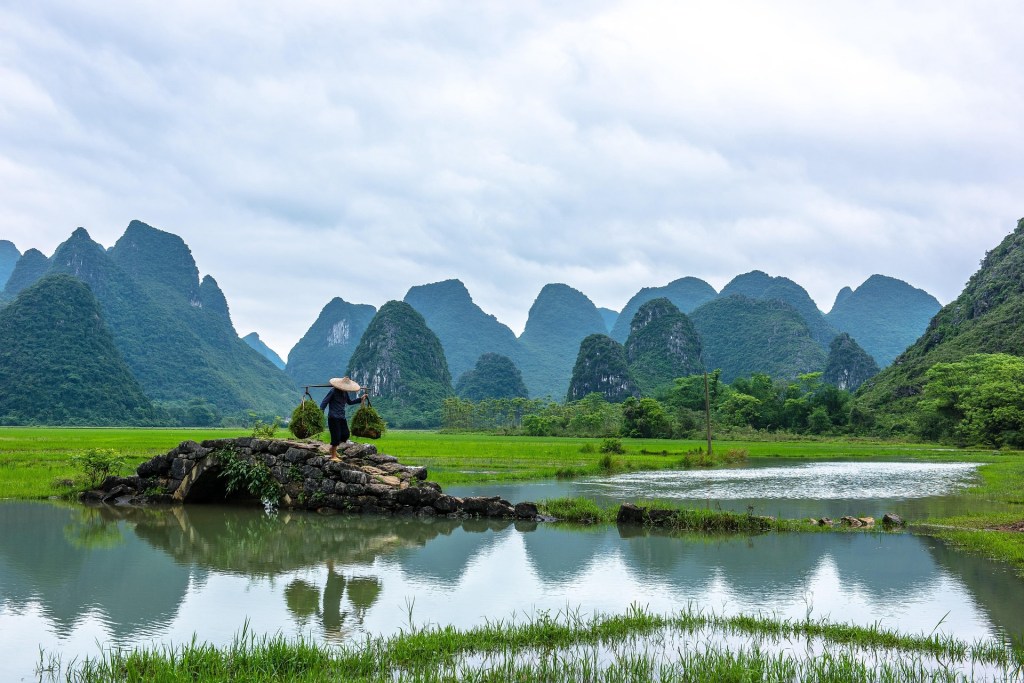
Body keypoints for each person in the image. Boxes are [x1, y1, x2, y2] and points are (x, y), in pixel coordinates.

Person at [320, 377, 365, 461]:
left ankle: (332, 449)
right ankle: (333, 455)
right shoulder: (333, 391)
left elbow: (349, 402)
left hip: (341, 417)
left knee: (345, 435)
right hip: (333, 417)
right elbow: (324, 402)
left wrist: (360, 399)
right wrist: (320, 412)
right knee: (336, 436)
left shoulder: (345, 392)